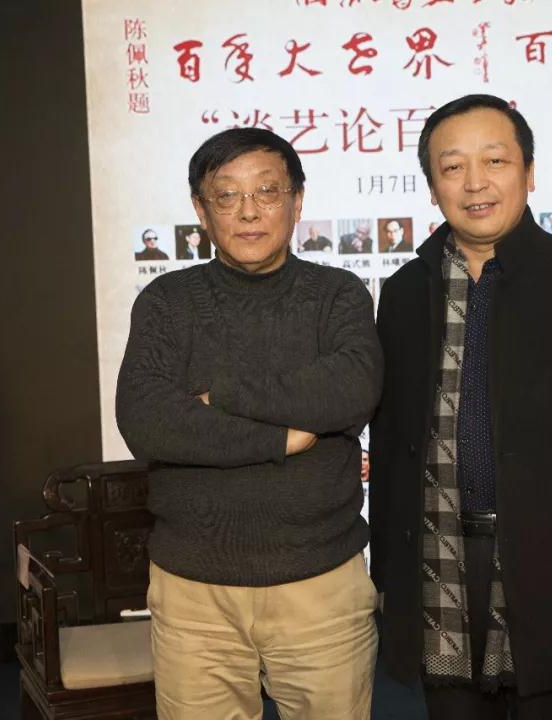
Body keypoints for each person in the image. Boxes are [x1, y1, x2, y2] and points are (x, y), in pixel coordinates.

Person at [370, 94, 552, 718]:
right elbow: (392, 448)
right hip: (439, 568)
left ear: (529, 173)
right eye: (453, 167)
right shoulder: (403, 294)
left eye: (495, 161)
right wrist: (388, 581)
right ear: (432, 187)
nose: (475, 183)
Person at [115, 128, 382, 719]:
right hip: (194, 590)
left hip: (320, 582)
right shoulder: (166, 302)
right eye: (227, 195)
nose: (249, 211)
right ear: (200, 210)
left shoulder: (337, 295)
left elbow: (350, 391)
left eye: (266, 191)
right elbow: (147, 420)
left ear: (297, 200)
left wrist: (221, 396)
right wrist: (278, 437)